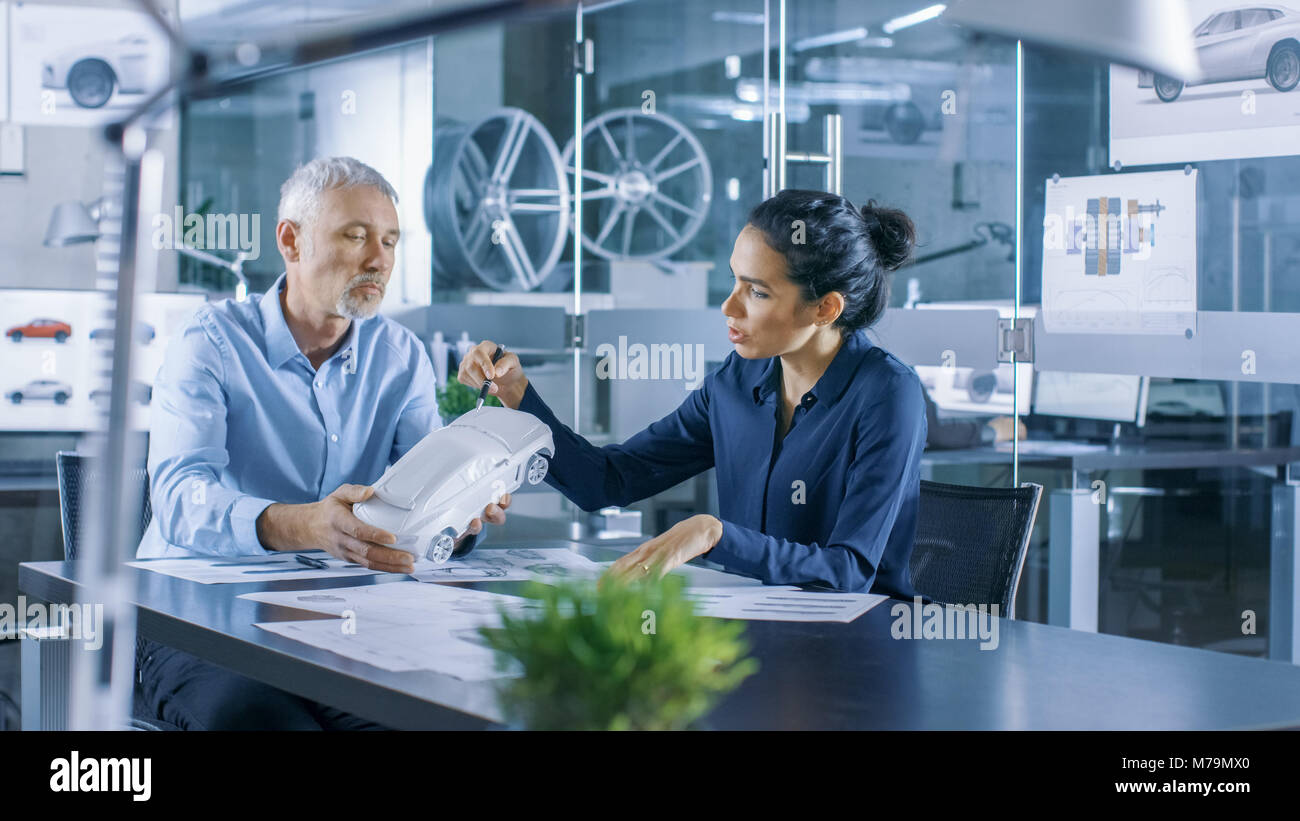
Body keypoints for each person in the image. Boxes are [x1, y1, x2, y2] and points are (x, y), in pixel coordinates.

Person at [136, 156, 510, 730]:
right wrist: (307, 524)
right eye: (355, 236)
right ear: (291, 240)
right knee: (263, 725)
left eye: (389, 241)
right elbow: (180, 499)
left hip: (345, 615)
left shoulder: (401, 357)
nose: (378, 259)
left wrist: (458, 515)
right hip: (196, 616)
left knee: (414, 719)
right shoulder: (209, 342)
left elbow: (426, 490)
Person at [460, 189, 925, 596]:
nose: (729, 306)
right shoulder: (738, 382)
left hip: (859, 650)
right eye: (734, 280)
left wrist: (713, 534)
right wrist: (518, 395)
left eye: (757, 292)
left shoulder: (887, 394)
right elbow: (609, 480)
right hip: (754, 636)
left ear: (825, 307)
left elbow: (850, 571)